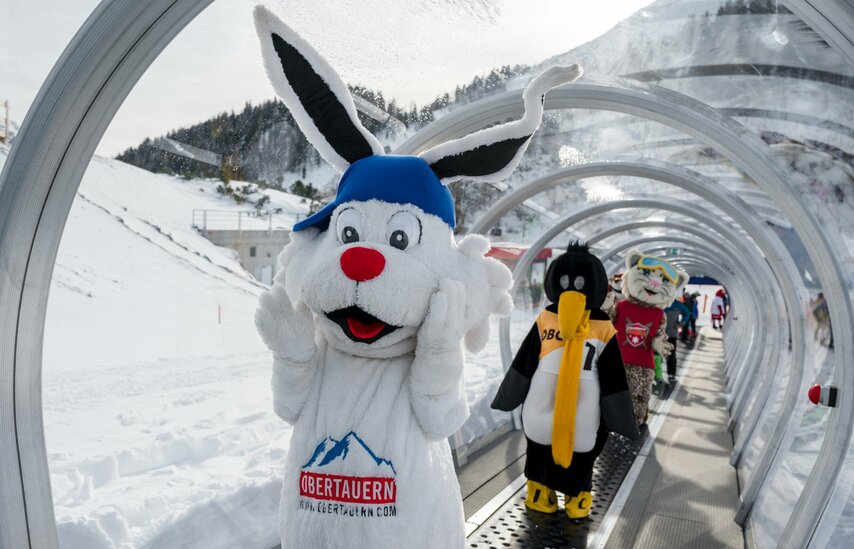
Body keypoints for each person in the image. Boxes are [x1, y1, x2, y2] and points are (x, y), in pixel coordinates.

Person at [492, 243, 638, 520]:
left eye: (580, 284)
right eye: (566, 282)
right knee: (539, 443)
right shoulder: (547, 318)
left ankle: (576, 492)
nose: (572, 289)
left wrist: (618, 413)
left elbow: (612, 377)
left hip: (579, 405)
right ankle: (543, 488)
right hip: (547, 401)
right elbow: (525, 361)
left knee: (581, 448)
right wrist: (510, 393)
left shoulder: (602, 327)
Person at [664, 299, 690, 384]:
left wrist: (681, 323)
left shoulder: (677, 304)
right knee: (655, 356)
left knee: (671, 355)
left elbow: (687, 313)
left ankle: (671, 374)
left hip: (672, 334)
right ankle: (656, 375)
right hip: (659, 334)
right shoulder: (660, 301)